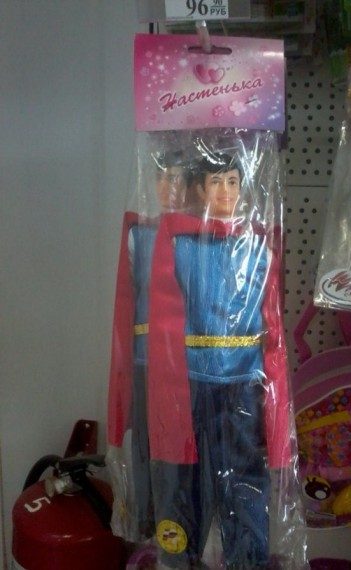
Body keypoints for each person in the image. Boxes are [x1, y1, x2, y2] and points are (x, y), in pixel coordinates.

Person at [147, 151, 291, 568]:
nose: (226, 191)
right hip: (189, 379)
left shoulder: (259, 248)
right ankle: (181, 556)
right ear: (199, 190)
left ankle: (247, 558)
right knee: (184, 472)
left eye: (232, 182)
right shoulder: (179, 244)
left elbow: (272, 325)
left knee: (243, 474)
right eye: (216, 182)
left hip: (243, 379)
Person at [107, 151, 190, 541]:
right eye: (164, 179)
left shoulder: (194, 234)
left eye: (179, 180)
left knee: (178, 444)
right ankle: (146, 518)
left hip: (183, 360)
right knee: (144, 439)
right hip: (144, 357)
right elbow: (127, 298)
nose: (171, 188)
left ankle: (178, 519)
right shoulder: (139, 234)